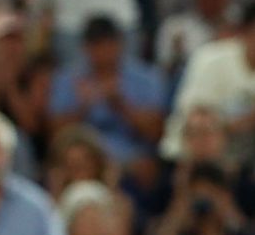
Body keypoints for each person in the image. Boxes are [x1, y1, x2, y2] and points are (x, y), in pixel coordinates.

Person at [160, 0, 255, 164]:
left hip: (247, 155)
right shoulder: (211, 58)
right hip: (190, 153)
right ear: (248, 33)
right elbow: (195, 118)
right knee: (204, 131)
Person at [48, 15, 167, 165]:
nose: (103, 53)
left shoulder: (146, 77)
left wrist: (120, 104)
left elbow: (157, 132)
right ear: (86, 48)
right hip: (81, 159)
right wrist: (83, 107)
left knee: (147, 167)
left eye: (108, 45)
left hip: (132, 157)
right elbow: (55, 136)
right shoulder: (67, 79)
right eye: (97, 46)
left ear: (119, 44)